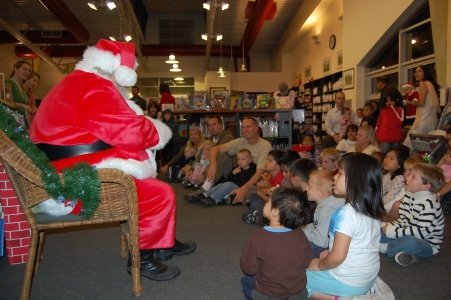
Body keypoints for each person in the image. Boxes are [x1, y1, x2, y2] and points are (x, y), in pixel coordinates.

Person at [29, 39, 196, 281]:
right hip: (74, 182)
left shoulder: (76, 82)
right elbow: (130, 132)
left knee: (156, 185)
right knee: (159, 193)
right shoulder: (95, 87)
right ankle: (143, 258)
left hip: (63, 170)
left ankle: (163, 242)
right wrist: (158, 131)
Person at [307, 153, 385, 298]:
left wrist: (320, 264)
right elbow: (359, 246)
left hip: (347, 282)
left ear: (356, 181)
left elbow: (337, 258)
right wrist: (330, 253)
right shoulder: (370, 209)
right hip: (367, 278)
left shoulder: (347, 213)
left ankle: (335, 298)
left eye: (340, 173)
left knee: (293, 281)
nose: (335, 177)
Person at [240, 187, 313, 300]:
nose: (266, 202)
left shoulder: (258, 238)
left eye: (269, 201)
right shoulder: (301, 234)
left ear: (275, 212)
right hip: (297, 291)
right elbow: (307, 261)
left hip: (269, 293)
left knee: (246, 281)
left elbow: (248, 268)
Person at [380, 163, 445, 267]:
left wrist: (392, 232)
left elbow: (421, 232)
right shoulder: (409, 195)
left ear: (426, 186)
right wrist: (390, 228)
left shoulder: (429, 204)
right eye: (409, 174)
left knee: (410, 242)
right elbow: (404, 219)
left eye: (413, 177)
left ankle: (385, 248)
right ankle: (406, 254)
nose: (407, 178)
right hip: (408, 232)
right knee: (379, 228)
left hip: (425, 242)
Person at [206, 117, 273, 204]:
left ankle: (213, 195)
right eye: (243, 127)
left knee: (230, 186)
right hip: (238, 176)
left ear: (256, 129)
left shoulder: (265, 145)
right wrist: (213, 165)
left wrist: (243, 189)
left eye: (248, 127)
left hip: (252, 180)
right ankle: (205, 189)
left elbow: (259, 173)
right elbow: (214, 149)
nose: (245, 130)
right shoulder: (241, 141)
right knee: (220, 154)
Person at [185, 148, 256, 206]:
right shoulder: (237, 168)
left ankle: (214, 199)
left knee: (228, 184)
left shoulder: (252, 169)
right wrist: (233, 173)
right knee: (220, 184)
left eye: (243, 159)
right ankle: (204, 195)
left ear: (250, 160)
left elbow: (246, 183)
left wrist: (239, 174)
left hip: (240, 189)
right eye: (238, 159)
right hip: (232, 187)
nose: (240, 162)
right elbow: (229, 179)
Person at [304, 170, 345, 258]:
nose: (306, 189)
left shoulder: (325, 211)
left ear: (321, 192)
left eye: (309, 186)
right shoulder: (328, 203)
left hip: (327, 247)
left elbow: (321, 242)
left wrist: (304, 231)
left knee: (299, 247)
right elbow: (317, 226)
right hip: (329, 241)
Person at [242, 150, 285, 225]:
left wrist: (259, 192)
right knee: (252, 193)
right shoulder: (270, 175)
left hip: (276, 206)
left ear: (278, 166)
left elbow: (273, 200)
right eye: (267, 159)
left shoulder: (280, 178)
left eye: (270, 161)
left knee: (256, 198)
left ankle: (261, 218)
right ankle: (256, 213)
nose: (266, 162)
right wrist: (262, 186)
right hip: (269, 201)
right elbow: (266, 191)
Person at [404, 65, 441, 150]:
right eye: (415, 72)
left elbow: (421, 103)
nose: (416, 73)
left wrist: (408, 102)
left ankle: (414, 162)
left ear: (425, 72)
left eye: (419, 71)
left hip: (423, 118)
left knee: (414, 144)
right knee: (427, 146)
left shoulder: (423, 84)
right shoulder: (429, 84)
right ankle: (426, 160)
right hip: (430, 118)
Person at [2, 61, 32, 127]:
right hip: (11, 123)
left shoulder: (22, 87)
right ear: (15, 69)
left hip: (22, 123)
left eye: (29, 71)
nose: (27, 72)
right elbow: (7, 103)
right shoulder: (8, 83)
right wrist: (24, 106)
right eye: (24, 69)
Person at [381, 147, 409, 213]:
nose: (386, 160)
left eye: (391, 158)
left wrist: (377, 203)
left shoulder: (400, 178)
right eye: (386, 157)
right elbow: (382, 190)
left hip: (395, 207)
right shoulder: (387, 175)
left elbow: (390, 196)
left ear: (400, 164)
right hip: (387, 203)